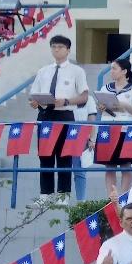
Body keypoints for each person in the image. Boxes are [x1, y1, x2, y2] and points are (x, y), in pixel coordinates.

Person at [29, 35, 89, 200]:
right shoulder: (43, 71)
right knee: (45, 155)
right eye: (54, 47)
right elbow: (33, 93)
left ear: (68, 50)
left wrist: (67, 101)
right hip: (45, 114)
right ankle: (45, 195)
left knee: (64, 155)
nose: (57, 50)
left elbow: (84, 96)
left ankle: (63, 196)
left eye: (61, 47)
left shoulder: (77, 71)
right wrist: (34, 101)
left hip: (65, 113)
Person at [93, 58, 132, 196]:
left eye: (115, 68)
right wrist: (101, 107)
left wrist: (126, 106)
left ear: (124, 71)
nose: (112, 71)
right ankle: (112, 197)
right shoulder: (106, 88)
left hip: (124, 130)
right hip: (107, 130)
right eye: (111, 68)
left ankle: (124, 196)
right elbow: (100, 109)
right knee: (109, 166)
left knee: (125, 165)